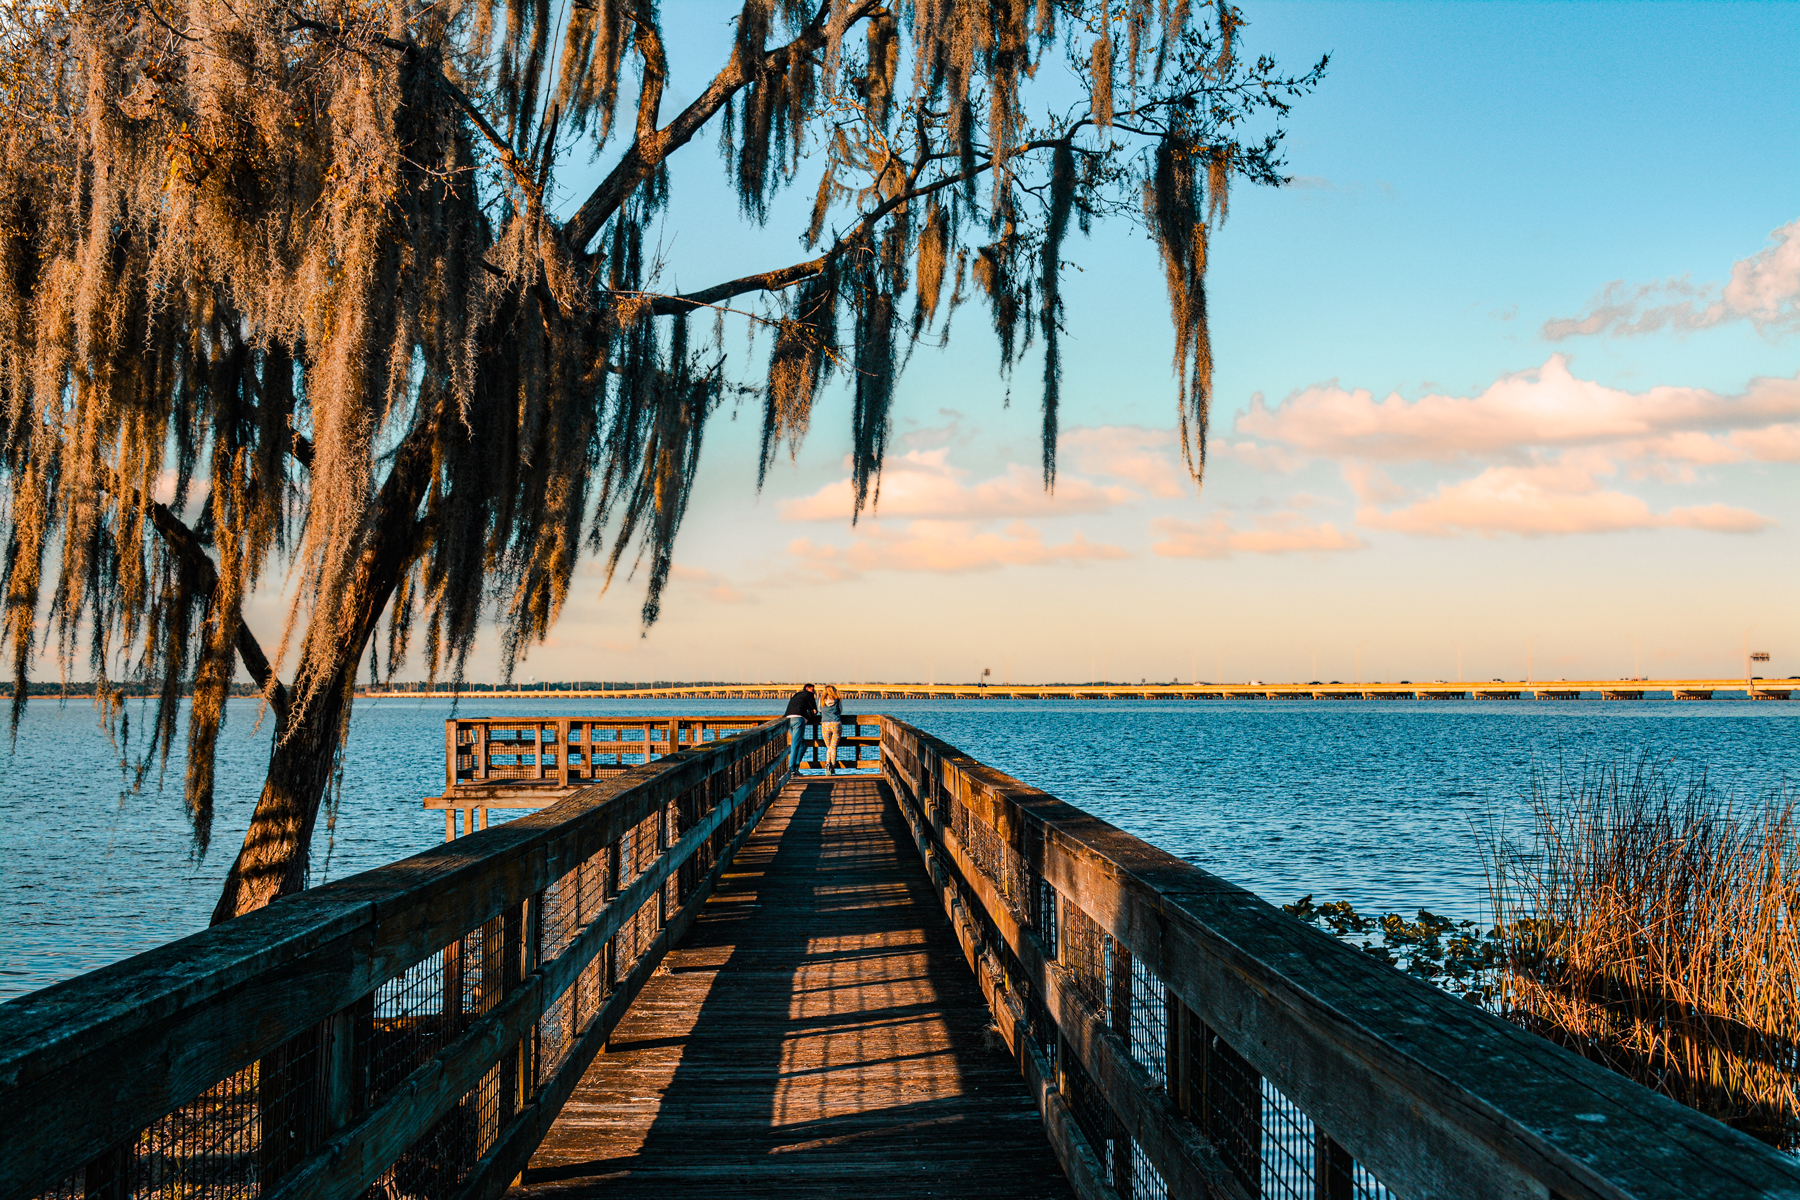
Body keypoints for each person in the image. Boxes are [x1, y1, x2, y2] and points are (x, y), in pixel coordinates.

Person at [782, 683, 819, 773]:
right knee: (796, 744)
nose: (813, 691)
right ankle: (791, 768)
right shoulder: (809, 695)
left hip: (787, 719)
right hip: (798, 719)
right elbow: (815, 710)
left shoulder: (797, 694)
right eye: (812, 689)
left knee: (802, 745)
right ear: (807, 688)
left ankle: (795, 767)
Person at [818, 685, 843, 774]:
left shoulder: (822, 700)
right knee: (833, 747)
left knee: (829, 747)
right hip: (836, 724)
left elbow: (819, 710)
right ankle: (832, 767)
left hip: (825, 724)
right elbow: (840, 710)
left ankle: (828, 765)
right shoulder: (837, 700)